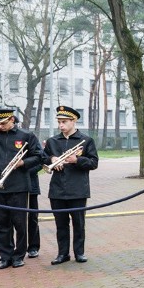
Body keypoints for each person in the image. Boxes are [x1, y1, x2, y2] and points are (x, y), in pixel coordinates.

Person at [0, 107, 44, 269]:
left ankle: (18, 255)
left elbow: (39, 156)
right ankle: (5, 255)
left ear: (12, 120)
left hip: (19, 185)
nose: (0, 126)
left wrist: (23, 163)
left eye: (3, 122)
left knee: (20, 223)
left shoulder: (26, 136)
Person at [44, 106, 99, 265]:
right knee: (60, 224)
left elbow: (94, 163)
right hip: (57, 190)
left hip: (78, 189)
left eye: (64, 122)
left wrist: (77, 160)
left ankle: (79, 253)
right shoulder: (53, 141)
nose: (61, 125)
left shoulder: (86, 140)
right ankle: (63, 254)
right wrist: (52, 160)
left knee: (78, 224)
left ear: (73, 121)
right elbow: (44, 159)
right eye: (59, 122)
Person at [26, 163, 42, 258]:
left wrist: (23, 170)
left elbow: (40, 162)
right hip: (11, 186)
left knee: (32, 218)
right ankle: (9, 250)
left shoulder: (34, 146)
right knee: (10, 218)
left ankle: (33, 247)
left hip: (31, 185)